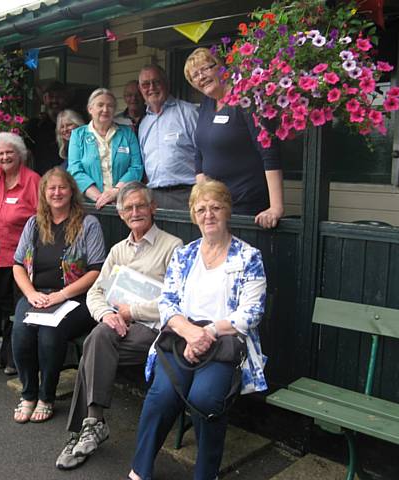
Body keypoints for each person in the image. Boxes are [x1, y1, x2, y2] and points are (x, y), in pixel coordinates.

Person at [128, 180, 268, 480]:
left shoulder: (248, 257)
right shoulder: (184, 255)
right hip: (182, 339)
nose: (209, 215)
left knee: (205, 399)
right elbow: (167, 303)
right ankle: (139, 471)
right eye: (201, 209)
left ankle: (206, 475)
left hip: (224, 343)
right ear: (193, 214)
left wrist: (207, 334)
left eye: (215, 207)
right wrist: (189, 332)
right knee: (161, 395)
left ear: (227, 211)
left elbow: (251, 312)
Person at [55, 182, 182, 470]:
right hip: (117, 329)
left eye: (140, 206)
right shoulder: (118, 251)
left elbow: (176, 301)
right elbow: (95, 293)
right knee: (99, 336)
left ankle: (87, 428)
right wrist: (106, 315)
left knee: (92, 347)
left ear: (153, 208)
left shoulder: (172, 247)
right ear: (121, 214)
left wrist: (130, 311)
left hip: (154, 330)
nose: (135, 212)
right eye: (128, 208)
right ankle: (92, 424)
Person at [11, 167, 106, 424]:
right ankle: (29, 394)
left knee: (50, 334)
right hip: (37, 296)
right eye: (51, 188)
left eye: (62, 187)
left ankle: (46, 397)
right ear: (44, 193)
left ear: (71, 191)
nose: (57, 192)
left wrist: (62, 295)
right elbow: (18, 264)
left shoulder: (89, 224)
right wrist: (30, 294)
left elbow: (96, 270)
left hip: (75, 299)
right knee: (21, 332)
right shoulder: (33, 224)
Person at [185, 47, 284, 229]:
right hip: (215, 208)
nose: (201, 77)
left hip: (247, 207)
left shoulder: (245, 99)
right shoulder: (207, 104)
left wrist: (275, 207)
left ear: (221, 67)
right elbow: (200, 153)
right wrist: (203, 197)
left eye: (205, 68)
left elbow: (268, 150)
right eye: (195, 75)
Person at [0, 132, 40, 376]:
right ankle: (5, 354)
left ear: (20, 154)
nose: (5, 157)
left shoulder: (32, 181)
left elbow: (44, 218)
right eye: (0, 154)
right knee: (3, 308)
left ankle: (16, 360)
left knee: (19, 310)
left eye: (10, 152)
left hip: (21, 260)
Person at [67, 88, 143, 209]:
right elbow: (75, 170)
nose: (105, 110)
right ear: (90, 109)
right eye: (100, 105)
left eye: (110, 106)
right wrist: (100, 198)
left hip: (125, 203)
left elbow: (136, 167)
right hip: (89, 205)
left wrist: (116, 192)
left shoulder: (127, 133)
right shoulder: (78, 135)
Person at [137, 64, 199, 210]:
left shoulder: (189, 113)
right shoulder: (144, 123)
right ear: (141, 90)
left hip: (187, 194)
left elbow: (206, 154)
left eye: (156, 82)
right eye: (146, 84)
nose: (151, 87)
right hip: (154, 197)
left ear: (166, 83)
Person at [25, 81, 70, 176]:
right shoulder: (34, 125)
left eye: (58, 97)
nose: (54, 101)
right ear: (44, 99)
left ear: (65, 99)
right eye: (51, 97)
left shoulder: (72, 125)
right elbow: (25, 152)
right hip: (40, 181)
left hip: (67, 181)